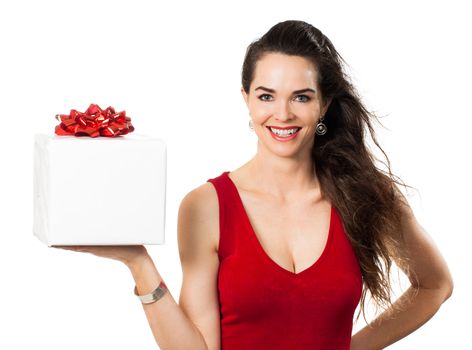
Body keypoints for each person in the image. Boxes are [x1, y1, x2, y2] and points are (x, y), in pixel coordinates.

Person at [56, 20, 453, 349]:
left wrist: (351, 347)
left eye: (301, 97)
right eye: (267, 96)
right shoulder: (205, 206)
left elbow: (434, 285)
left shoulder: (366, 195)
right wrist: (137, 262)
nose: (282, 114)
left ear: (324, 105)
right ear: (246, 99)